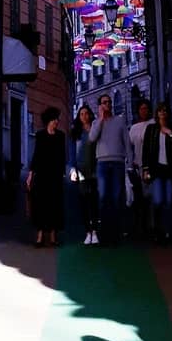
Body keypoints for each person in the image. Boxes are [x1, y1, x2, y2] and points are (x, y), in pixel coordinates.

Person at [88, 92, 129, 245]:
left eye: (109, 102)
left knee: (117, 197)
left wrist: (129, 163)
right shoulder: (96, 123)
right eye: (105, 102)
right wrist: (100, 119)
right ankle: (104, 234)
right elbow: (92, 138)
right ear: (100, 106)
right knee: (103, 197)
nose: (108, 105)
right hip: (102, 164)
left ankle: (117, 233)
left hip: (118, 162)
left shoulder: (120, 121)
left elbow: (126, 142)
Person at [26, 106, 66, 248]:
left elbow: (62, 156)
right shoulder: (40, 135)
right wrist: (31, 174)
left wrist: (62, 173)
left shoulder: (61, 136)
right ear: (48, 120)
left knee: (55, 204)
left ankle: (54, 236)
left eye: (57, 119)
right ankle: (40, 235)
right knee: (40, 204)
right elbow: (36, 156)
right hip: (42, 175)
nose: (57, 121)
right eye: (54, 119)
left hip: (55, 175)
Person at [141, 101, 172, 243]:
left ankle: (167, 231)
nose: (163, 113)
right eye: (160, 111)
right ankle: (157, 230)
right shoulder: (151, 129)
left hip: (169, 170)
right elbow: (145, 150)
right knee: (157, 200)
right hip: (156, 170)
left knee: (168, 201)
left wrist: (170, 134)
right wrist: (145, 169)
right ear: (157, 114)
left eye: (165, 110)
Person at [70, 104, 100, 244]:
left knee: (93, 200)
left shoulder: (95, 130)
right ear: (79, 116)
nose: (84, 116)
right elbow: (71, 154)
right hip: (81, 170)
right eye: (81, 114)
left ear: (90, 115)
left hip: (94, 169)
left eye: (86, 113)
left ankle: (95, 231)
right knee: (83, 200)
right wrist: (71, 169)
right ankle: (88, 231)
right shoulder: (76, 132)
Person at [128, 99, 153, 236]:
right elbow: (129, 147)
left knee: (150, 197)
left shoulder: (153, 124)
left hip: (151, 167)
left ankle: (151, 226)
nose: (144, 111)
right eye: (141, 108)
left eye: (146, 108)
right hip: (138, 167)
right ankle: (140, 228)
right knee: (139, 199)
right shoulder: (134, 128)